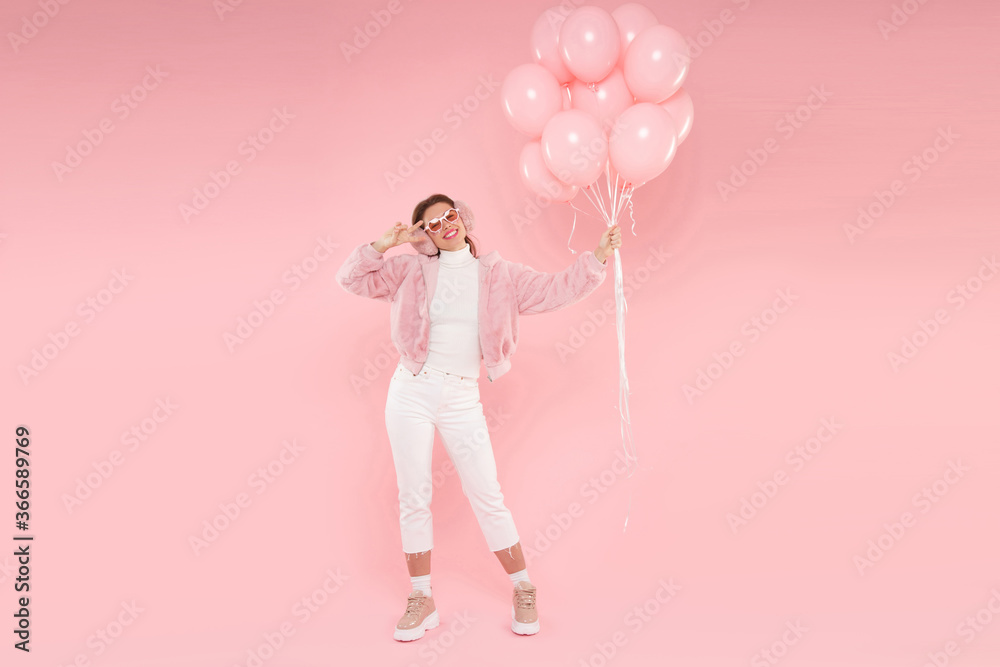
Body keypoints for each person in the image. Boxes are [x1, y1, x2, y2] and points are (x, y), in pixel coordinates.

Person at [335, 193, 622, 641]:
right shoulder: (410, 270)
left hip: (462, 397)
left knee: (487, 494)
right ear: (424, 238)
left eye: (449, 216)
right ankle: (421, 597)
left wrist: (598, 257)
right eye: (432, 224)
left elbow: (554, 290)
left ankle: (523, 587)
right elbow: (350, 279)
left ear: (463, 219)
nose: (445, 225)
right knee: (414, 494)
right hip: (411, 390)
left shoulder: (499, 275)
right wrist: (382, 244)